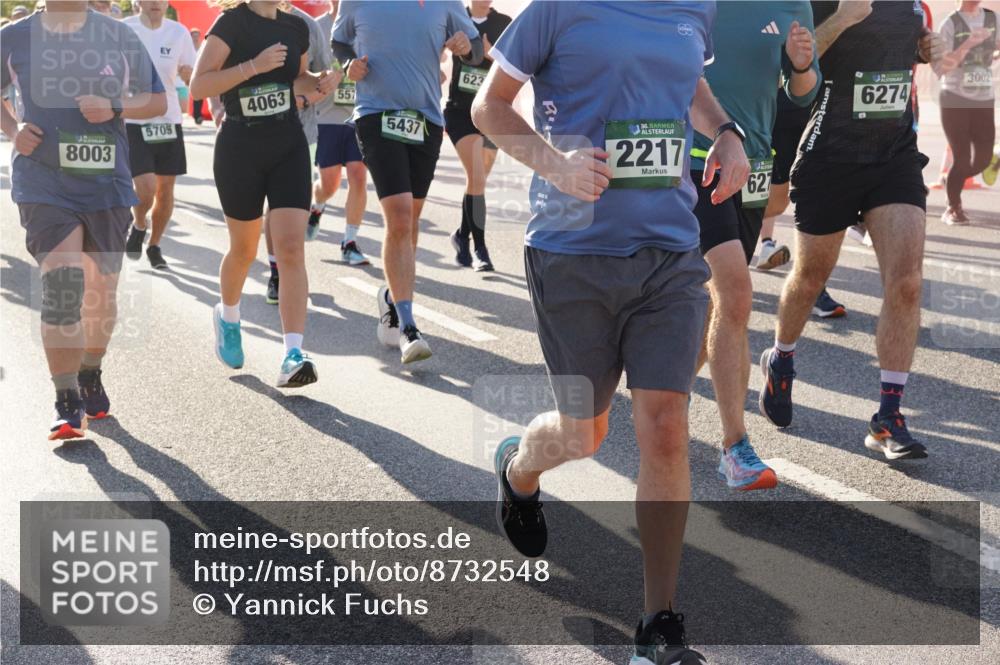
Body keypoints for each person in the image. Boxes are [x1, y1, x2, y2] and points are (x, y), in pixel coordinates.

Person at [475, 2, 750, 662]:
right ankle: (520, 470)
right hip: (573, 255)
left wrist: (727, 132)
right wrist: (554, 164)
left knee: (664, 425)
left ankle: (659, 623)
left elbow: (691, 82)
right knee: (583, 434)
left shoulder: (694, 7)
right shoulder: (557, 9)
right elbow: (490, 107)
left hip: (668, 252)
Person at [759, 0, 942, 461]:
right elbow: (792, 66)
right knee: (810, 277)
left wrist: (925, 48)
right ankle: (781, 359)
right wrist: (842, 19)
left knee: (906, 284)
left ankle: (888, 417)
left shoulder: (912, 3)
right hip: (828, 157)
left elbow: (900, 47)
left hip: (894, 156)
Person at [1, 0, 166, 439]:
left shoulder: (117, 35)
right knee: (62, 286)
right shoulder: (14, 37)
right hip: (43, 180)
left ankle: (90, 371)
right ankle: (66, 399)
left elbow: (157, 100)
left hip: (106, 182)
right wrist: (12, 129)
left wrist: (115, 107)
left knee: (100, 292)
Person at [691, 1, 820, 491]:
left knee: (715, 310)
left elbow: (801, 93)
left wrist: (803, 64)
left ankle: (663, 402)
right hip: (698, 158)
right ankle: (735, 447)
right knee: (735, 293)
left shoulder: (793, 4)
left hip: (754, 167)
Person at [190, 0, 337, 387]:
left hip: (288, 140)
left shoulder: (296, 27)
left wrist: (322, 81)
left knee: (291, 246)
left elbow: (298, 80)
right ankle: (229, 318)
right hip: (240, 145)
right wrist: (253, 66)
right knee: (244, 249)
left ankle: (293, 353)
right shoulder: (231, 23)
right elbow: (199, 84)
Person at [332, 1, 483, 364]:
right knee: (399, 217)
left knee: (410, 222)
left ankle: (392, 296)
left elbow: (476, 49)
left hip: (426, 119)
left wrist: (466, 47)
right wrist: (349, 66)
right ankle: (408, 325)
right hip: (375, 114)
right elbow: (340, 43)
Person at [263, 0, 337, 305]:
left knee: (291, 207)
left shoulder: (307, 23)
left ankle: (288, 271)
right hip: (256, 131)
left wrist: (309, 99)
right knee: (272, 205)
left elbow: (326, 75)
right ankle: (276, 269)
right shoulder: (245, 18)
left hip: (301, 132)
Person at [757, 87, 847, 320]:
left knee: (817, 196)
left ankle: (815, 289)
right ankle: (720, 248)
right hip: (773, 114)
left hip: (817, 114)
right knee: (769, 203)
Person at [122, 0, 197, 270]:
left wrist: (190, 76)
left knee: (165, 191)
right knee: (145, 188)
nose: (155, 3)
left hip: (168, 120)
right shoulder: (122, 30)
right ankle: (139, 223)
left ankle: (154, 244)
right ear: (137, 2)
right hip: (134, 120)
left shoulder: (179, 33)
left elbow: (192, 75)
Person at [445, 0, 511, 272]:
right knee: (478, 176)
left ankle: (461, 235)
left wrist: (489, 54)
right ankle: (480, 249)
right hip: (460, 112)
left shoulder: (504, 24)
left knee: (477, 180)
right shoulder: (454, 17)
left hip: (491, 112)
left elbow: (514, 65)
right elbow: (434, 50)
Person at [305, 0, 370, 268]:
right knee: (330, 183)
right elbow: (302, 69)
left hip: (360, 113)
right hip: (326, 115)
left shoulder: (367, 23)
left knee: (358, 174)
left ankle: (350, 242)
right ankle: (317, 206)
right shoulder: (318, 27)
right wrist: (324, 78)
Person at [933, 0, 997, 225]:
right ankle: (953, 207)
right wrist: (970, 42)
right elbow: (943, 66)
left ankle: (952, 178)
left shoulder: (991, 18)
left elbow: (996, 45)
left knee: (983, 159)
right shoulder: (950, 24)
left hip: (984, 99)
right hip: (954, 100)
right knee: (961, 158)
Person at [190, 28, 205, 125]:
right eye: (193, 35)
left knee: (199, 95)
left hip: (199, 73)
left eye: (197, 35)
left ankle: (197, 115)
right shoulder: (187, 46)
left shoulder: (203, 46)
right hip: (188, 73)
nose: (195, 38)